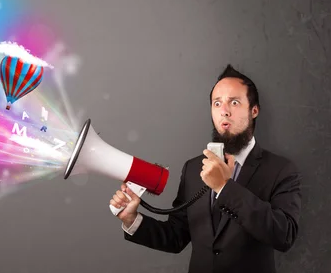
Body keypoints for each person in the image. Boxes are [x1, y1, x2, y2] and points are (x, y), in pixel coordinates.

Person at [110, 64, 302, 273]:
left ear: (254, 110)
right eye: (217, 103)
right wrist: (132, 219)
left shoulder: (281, 170)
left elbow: (284, 235)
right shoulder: (193, 169)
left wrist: (225, 188)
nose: (224, 111)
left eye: (234, 102)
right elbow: (176, 237)